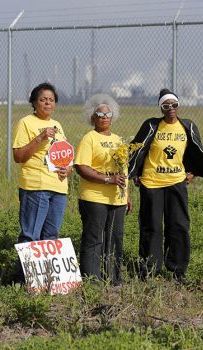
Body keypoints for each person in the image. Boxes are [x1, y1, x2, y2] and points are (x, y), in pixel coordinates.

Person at [128, 88, 203, 282]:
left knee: (179, 225)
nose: (171, 109)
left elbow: (195, 150)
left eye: (174, 105)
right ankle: (149, 269)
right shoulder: (151, 125)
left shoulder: (187, 126)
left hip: (176, 182)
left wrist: (193, 172)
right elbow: (136, 148)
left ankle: (178, 270)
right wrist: (135, 172)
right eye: (166, 106)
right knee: (152, 226)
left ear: (178, 106)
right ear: (161, 108)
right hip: (152, 183)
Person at [74, 94, 131, 286]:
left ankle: (113, 278)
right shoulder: (89, 138)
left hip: (117, 199)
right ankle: (91, 279)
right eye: (100, 113)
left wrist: (127, 195)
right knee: (94, 237)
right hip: (94, 197)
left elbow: (123, 170)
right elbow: (82, 167)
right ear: (92, 117)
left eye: (108, 114)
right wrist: (108, 179)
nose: (104, 117)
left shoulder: (118, 140)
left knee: (115, 238)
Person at [12, 82, 71, 246]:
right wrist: (40, 138)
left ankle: (46, 272)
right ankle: (22, 272)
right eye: (43, 99)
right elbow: (18, 156)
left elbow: (65, 156)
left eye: (51, 100)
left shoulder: (57, 125)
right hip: (36, 187)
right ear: (34, 102)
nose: (47, 103)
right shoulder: (26, 122)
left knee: (51, 237)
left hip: (58, 188)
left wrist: (68, 169)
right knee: (31, 236)